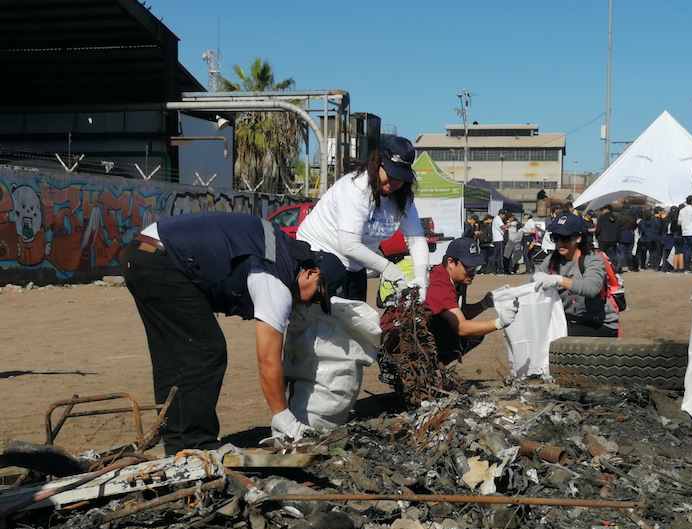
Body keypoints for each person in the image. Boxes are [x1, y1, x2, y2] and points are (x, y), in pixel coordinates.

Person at [122, 212, 347, 453]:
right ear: (311, 273)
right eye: (316, 296)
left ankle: (176, 442)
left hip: (142, 254)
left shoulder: (282, 251)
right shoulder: (275, 280)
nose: (309, 304)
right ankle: (197, 445)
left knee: (172, 354)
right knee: (206, 350)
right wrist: (284, 419)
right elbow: (268, 362)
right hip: (164, 261)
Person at [297, 135, 429, 302]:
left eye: (401, 177)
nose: (394, 181)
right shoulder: (356, 189)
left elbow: (416, 238)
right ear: (377, 163)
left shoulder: (403, 199)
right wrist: (387, 268)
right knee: (325, 324)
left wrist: (421, 278)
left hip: (355, 265)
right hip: (320, 255)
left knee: (358, 323)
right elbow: (349, 245)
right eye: (390, 173)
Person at [424, 237, 519, 367]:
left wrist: (484, 304)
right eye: (468, 267)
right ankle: (428, 368)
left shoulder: (459, 280)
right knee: (468, 332)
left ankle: (432, 368)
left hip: (428, 331)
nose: (473, 272)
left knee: (477, 332)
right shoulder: (439, 284)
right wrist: (498, 323)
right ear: (451, 262)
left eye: (476, 267)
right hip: (403, 341)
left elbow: (459, 314)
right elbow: (461, 327)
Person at [531, 212, 619, 337]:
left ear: (578, 238)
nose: (560, 243)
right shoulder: (551, 260)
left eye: (565, 238)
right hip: (567, 321)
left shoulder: (592, 259)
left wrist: (559, 280)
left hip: (598, 323)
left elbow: (592, 288)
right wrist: (535, 278)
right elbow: (530, 286)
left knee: (555, 338)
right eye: (555, 238)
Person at [595, 204, 620, 269]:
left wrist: (597, 236)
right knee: (611, 255)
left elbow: (598, 229)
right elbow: (618, 229)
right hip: (613, 240)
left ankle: (601, 268)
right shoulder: (616, 218)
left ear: (606, 210)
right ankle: (612, 268)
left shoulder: (602, 217)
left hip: (603, 239)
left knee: (601, 255)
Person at [489, 209, 510, 274]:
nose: (504, 217)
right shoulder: (498, 219)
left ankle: (494, 269)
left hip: (496, 239)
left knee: (496, 254)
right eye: (504, 215)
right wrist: (509, 225)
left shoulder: (495, 219)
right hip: (499, 239)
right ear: (501, 214)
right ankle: (499, 270)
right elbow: (503, 226)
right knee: (499, 256)